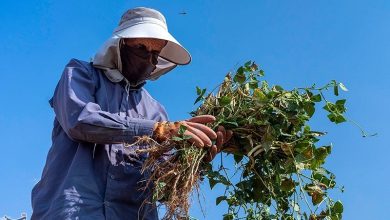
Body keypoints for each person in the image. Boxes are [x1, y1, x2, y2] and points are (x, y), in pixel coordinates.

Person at [31, 7, 230, 220]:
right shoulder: (81, 74)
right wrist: (157, 130)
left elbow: (160, 181)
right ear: (120, 45)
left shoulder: (155, 110)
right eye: (142, 48)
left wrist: (194, 161)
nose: (149, 59)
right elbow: (80, 121)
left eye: (155, 53)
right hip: (75, 210)